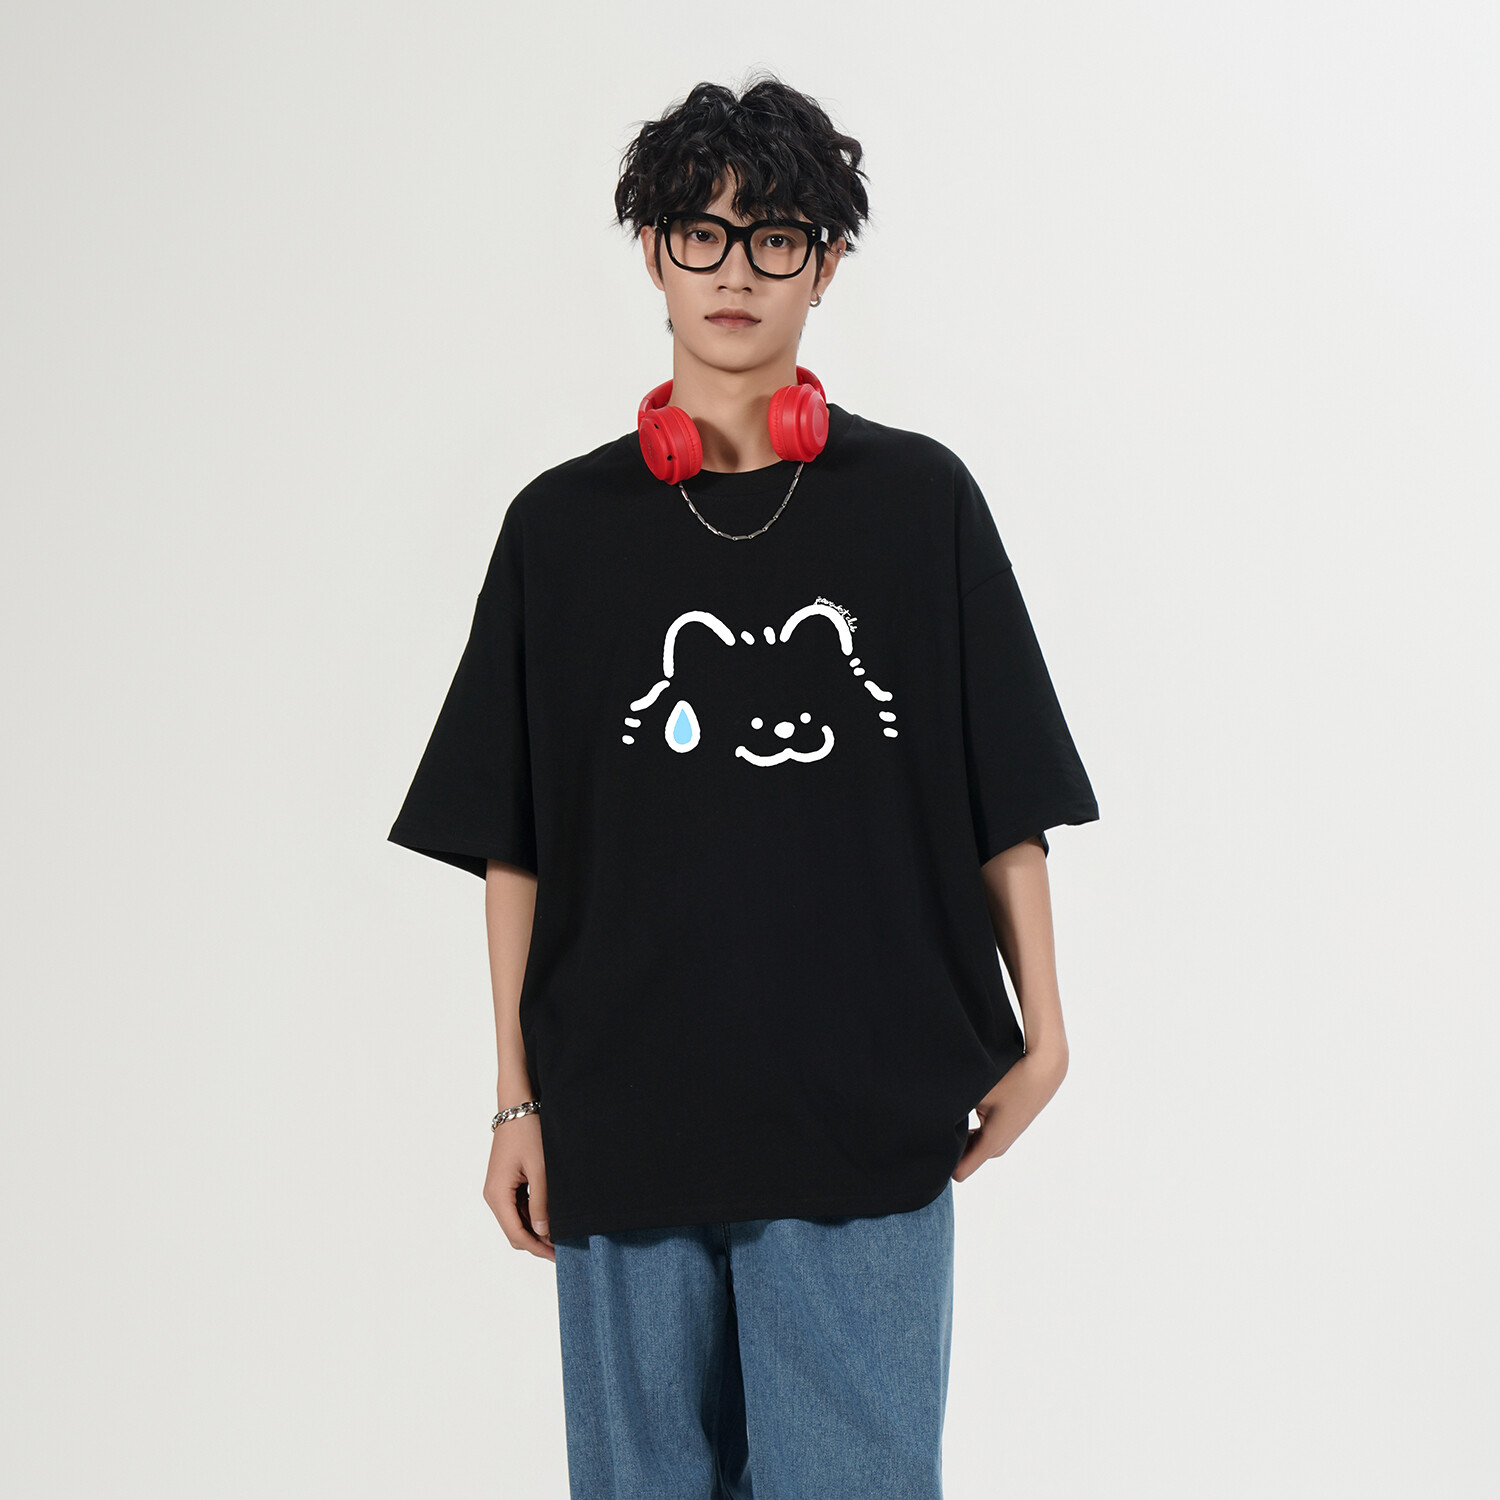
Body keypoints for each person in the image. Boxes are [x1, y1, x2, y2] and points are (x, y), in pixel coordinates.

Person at [388, 73, 1099, 1500]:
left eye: (775, 238)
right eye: (700, 234)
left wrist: (1048, 1027)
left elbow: (1001, 787)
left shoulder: (921, 504)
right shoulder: (559, 530)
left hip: (862, 1118)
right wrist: (516, 1102)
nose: (735, 271)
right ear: (653, 252)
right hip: (623, 1122)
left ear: (824, 268)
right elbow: (513, 842)